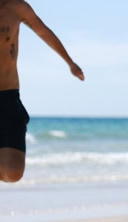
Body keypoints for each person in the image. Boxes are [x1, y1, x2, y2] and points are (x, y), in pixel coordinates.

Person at [0, 0, 84, 182]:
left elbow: (43, 31)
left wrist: (69, 62)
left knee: (13, 172)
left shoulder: (17, 7)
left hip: (7, 95)